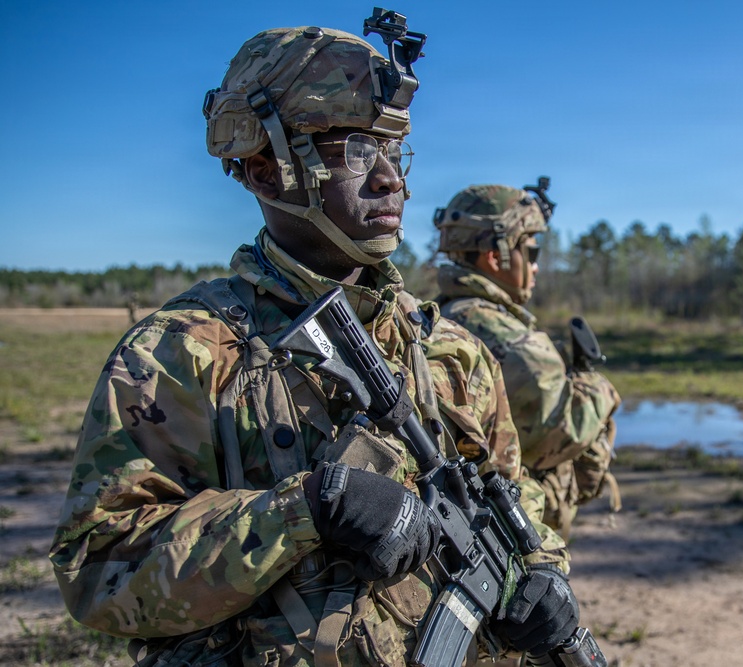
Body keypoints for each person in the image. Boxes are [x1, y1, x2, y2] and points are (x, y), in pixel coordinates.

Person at [49, 13, 578, 667]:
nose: (389, 178)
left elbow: (512, 491)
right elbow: (99, 569)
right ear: (265, 170)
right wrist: (304, 510)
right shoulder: (181, 352)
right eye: (353, 150)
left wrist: (541, 569)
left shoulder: (452, 352)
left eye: (392, 151)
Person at [433, 183, 622, 537]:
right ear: (495, 257)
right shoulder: (509, 337)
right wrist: (597, 387)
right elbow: (557, 431)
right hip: (515, 531)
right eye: (531, 253)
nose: (535, 267)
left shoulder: (440, 316)